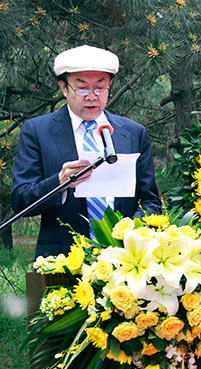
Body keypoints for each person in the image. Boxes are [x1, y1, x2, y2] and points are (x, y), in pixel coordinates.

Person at [12, 45, 162, 257]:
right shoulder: (38, 131)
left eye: (100, 88)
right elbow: (21, 200)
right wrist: (59, 182)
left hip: (125, 260)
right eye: (82, 88)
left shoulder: (133, 133)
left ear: (110, 85)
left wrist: (129, 232)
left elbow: (151, 202)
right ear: (64, 88)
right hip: (62, 260)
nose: (92, 96)